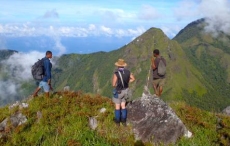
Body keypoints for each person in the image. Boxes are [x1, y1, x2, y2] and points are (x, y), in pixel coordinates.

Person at [112, 59, 135, 126]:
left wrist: (117, 85)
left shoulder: (116, 73)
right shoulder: (128, 72)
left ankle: (117, 123)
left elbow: (113, 84)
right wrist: (127, 82)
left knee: (117, 107)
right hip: (126, 91)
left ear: (118, 66)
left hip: (119, 91)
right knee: (123, 106)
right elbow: (133, 79)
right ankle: (124, 122)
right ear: (123, 65)